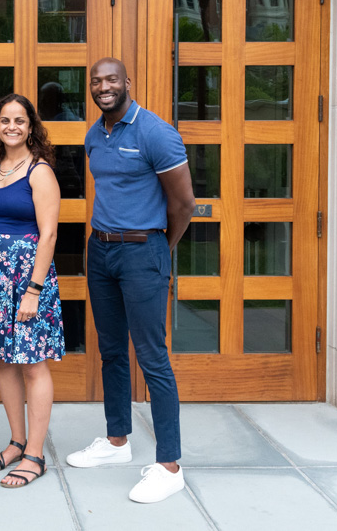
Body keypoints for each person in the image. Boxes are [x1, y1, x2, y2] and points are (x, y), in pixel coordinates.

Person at [66, 58, 195, 504]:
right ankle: (117, 441)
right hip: (100, 249)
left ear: (127, 84)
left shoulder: (155, 132)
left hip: (143, 250)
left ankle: (169, 466)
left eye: (112, 80)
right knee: (112, 351)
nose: (104, 87)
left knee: (152, 357)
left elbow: (183, 204)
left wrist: (158, 248)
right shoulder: (93, 135)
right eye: (96, 82)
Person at [0, 94, 65, 488]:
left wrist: (33, 290)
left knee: (32, 363)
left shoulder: (40, 172)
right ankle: (16, 441)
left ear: (31, 127)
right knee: (4, 361)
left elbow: (50, 234)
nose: (11, 126)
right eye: (4, 120)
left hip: (28, 277)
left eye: (19, 121)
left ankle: (36, 455)